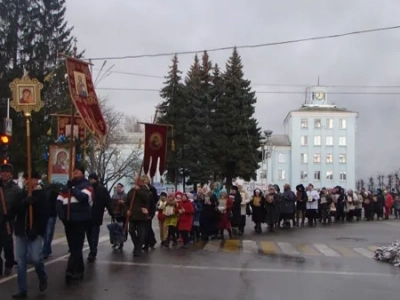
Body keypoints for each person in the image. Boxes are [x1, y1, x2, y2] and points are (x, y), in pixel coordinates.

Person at [12, 172, 49, 299]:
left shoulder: (42, 194)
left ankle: (42, 276)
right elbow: (14, 209)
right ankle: (22, 289)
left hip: (35, 231)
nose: (29, 181)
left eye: (31, 178)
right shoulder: (21, 193)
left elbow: (44, 215)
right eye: (27, 178)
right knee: (21, 262)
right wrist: (24, 202)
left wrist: (36, 229)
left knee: (35, 258)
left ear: (36, 180)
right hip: (21, 230)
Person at [56, 165, 93, 283]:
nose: (76, 172)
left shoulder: (87, 185)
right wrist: (62, 216)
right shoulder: (66, 186)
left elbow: (84, 198)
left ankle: (72, 270)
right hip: (69, 221)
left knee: (77, 246)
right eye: (74, 171)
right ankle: (78, 269)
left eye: (78, 171)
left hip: (80, 220)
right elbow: (59, 201)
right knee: (73, 247)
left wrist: (73, 189)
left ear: (82, 173)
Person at [87, 173, 113, 262]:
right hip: (87, 216)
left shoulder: (101, 189)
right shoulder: (88, 188)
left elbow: (108, 201)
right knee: (89, 235)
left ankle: (93, 252)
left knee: (94, 235)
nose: (91, 181)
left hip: (96, 215)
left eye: (92, 179)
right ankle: (92, 250)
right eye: (90, 179)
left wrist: (111, 211)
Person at [0, 163, 21, 277]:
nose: (4, 174)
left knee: (7, 243)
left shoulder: (15, 188)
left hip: (8, 220)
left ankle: (9, 264)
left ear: (10, 174)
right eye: (2, 172)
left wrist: (11, 215)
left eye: (7, 172)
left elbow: (18, 205)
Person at [126, 176, 151, 257]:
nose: (136, 181)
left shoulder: (144, 189)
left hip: (141, 215)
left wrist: (138, 190)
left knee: (141, 233)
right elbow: (127, 202)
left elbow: (146, 198)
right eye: (135, 180)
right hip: (132, 215)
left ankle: (138, 248)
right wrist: (127, 210)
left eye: (138, 180)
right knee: (131, 230)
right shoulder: (131, 190)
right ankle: (137, 245)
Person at [42, 183, 61, 259]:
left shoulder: (51, 193)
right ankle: (47, 249)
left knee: (47, 233)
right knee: (48, 233)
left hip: (50, 214)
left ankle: (46, 250)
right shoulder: (54, 193)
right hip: (50, 214)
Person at [111, 183, 127, 249]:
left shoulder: (125, 195)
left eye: (120, 187)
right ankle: (115, 241)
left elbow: (127, 205)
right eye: (117, 187)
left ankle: (121, 242)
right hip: (116, 214)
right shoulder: (114, 195)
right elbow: (112, 204)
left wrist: (123, 203)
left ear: (122, 188)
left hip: (123, 214)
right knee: (115, 228)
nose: (118, 188)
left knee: (122, 229)